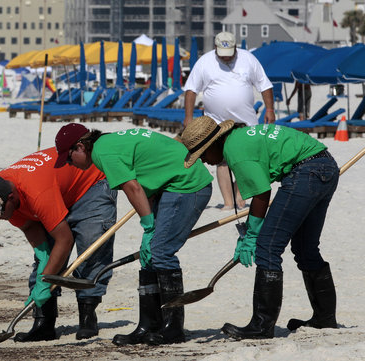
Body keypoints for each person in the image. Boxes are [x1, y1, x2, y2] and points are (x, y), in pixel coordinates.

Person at [181, 116, 339, 340]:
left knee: (267, 247)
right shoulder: (238, 138)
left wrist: (253, 235)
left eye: (203, 154)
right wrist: (249, 231)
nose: (205, 161)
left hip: (306, 172)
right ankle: (325, 318)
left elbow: (262, 193)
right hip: (325, 165)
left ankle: (262, 325)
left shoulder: (235, 151)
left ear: (214, 143)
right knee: (305, 248)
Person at [54, 123, 213, 345]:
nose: (71, 164)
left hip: (187, 185)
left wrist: (149, 227)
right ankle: (149, 325)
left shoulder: (102, 152)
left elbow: (133, 188)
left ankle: (173, 328)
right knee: (148, 255)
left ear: (80, 146)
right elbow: (145, 181)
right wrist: (149, 227)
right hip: (169, 185)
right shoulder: (107, 143)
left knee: (161, 252)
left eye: (69, 159)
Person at [0, 145, 118, 342]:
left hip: (91, 183)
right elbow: (29, 227)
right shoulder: (0, 190)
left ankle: (87, 318)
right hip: (59, 189)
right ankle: (44, 323)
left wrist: (44, 281)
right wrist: (43, 256)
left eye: (0, 213)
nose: (0, 218)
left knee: (91, 247)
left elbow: (65, 240)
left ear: (11, 198)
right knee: (48, 257)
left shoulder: (35, 191)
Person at [183, 31, 274, 211]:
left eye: (230, 54)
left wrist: (270, 109)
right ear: (215, 48)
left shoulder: (248, 59)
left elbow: (265, 85)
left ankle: (239, 195)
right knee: (222, 160)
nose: (226, 58)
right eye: (222, 54)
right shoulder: (204, 62)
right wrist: (188, 116)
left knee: (245, 159)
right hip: (215, 121)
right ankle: (228, 201)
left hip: (246, 120)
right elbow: (191, 90)